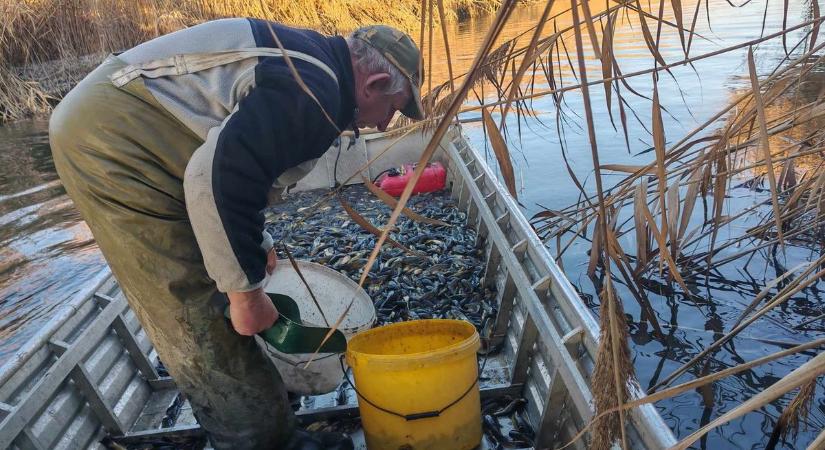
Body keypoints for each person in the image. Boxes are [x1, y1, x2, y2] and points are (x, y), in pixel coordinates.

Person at [48, 18, 423, 449]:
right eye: (392, 110)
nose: (381, 127)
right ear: (373, 84)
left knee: (225, 279)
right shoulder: (313, 92)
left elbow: (242, 171)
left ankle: (259, 409)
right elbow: (214, 178)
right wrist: (246, 296)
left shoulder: (316, 70)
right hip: (114, 139)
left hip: (138, 123)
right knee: (197, 304)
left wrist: (255, 245)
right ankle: (263, 443)